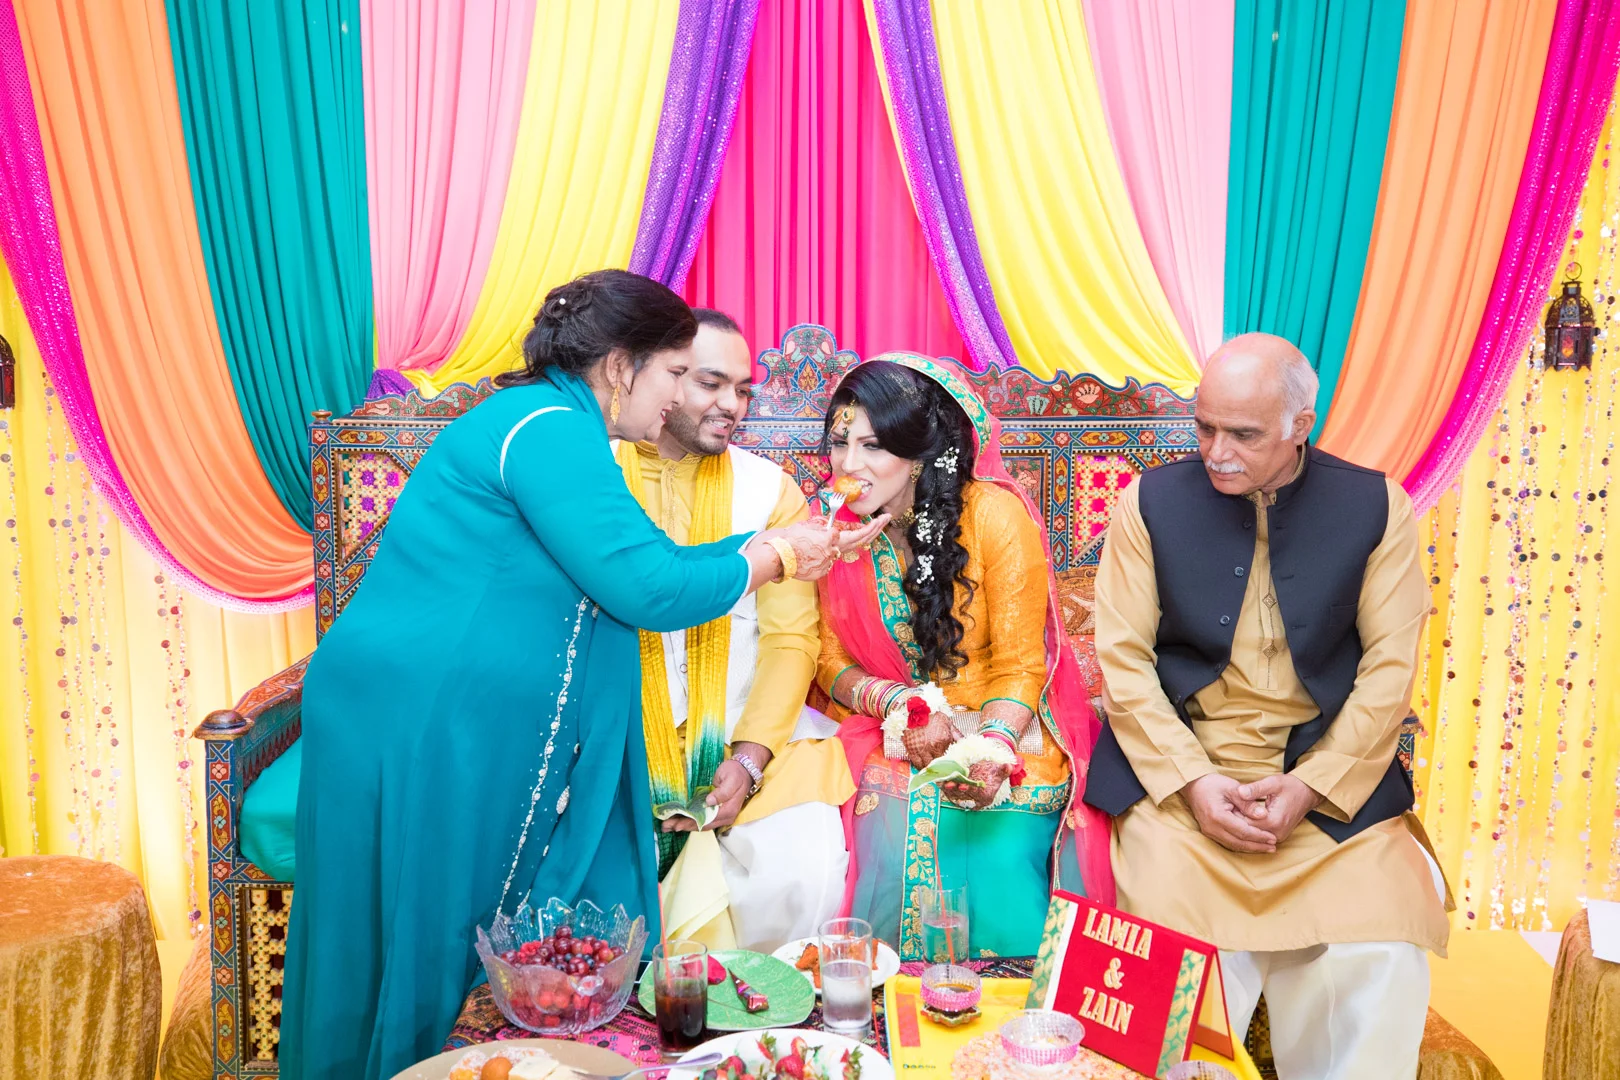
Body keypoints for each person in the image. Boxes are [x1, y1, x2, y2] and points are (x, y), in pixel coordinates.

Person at [280, 271, 885, 1080]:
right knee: (418, 929)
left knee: (434, 927)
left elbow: (646, 564)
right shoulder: (550, 431)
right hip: (417, 712)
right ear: (620, 365)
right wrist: (776, 555)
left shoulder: (556, 424)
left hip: (437, 707)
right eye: (676, 373)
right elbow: (649, 589)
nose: (677, 398)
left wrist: (776, 550)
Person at [1087, 333, 1450, 1079]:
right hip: (1181, 792)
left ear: (1300, 426)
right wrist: (1193, 781)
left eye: (1244, 434)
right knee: (1173, 957)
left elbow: (1390, 670)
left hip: (1327, 794)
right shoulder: (1148, 503)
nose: (1216, 452)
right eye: (1204, 427)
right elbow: (1122, 660)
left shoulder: (1376, 507)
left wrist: (1311, 787)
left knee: (1380, 950)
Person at [813, 355, 1114, 961]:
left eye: (873, 446)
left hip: (1005, 721)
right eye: (840, 443)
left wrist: (992, 748)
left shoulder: (993, 516)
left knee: (1000, 840)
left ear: (920, 454)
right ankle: (888, 993)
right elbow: (829, 661)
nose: (848, 465)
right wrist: (903, 704)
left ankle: (1009, 994)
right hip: (889, 726)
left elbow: (1022, 664)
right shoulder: (830, 529)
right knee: (888, 822)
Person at [614, 307, 851, 952]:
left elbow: (790, 640)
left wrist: (749, 759)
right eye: (710, 383)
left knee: (801, 874)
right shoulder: (594, 475)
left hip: (750, 726)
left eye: (743, 389)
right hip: (620, 735)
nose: (733, 405)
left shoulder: (769, 490)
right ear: (659, 377)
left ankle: (775, 1011)